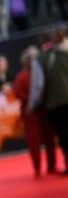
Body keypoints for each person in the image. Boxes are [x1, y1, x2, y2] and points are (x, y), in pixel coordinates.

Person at [13, 46, 57, 177]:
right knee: (34, 142)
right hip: (30, 114)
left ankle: (52, 166)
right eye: (30, 58)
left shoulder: (42, 73)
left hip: (44, 111)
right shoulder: (21, 77)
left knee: (49, 139)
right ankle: (37, 168)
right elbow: (19, 93)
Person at [41, 26, 68, 174]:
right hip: (59, 103)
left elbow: (39, 86)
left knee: (64, 136)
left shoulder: (45, 58)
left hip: (55, 105)